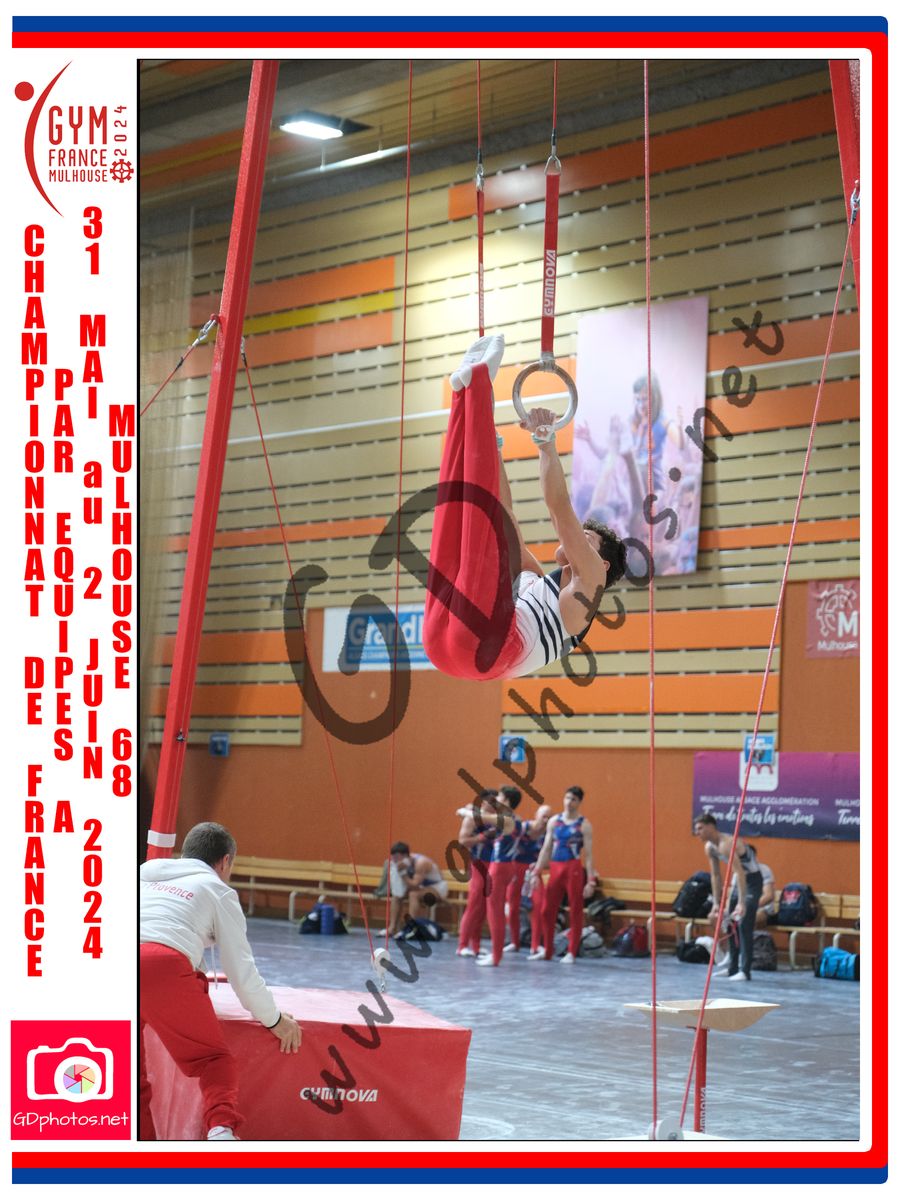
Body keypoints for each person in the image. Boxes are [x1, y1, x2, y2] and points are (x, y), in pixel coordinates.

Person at [423, 334, 627, 681]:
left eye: (587, 538)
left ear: (603, 564)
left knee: (469, 542)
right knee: (461, 513)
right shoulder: (533, 580)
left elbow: (559, 508)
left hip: (483, 649)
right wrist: (491, 449)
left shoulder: (589, 586)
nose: (577, 537)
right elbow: (504, 515)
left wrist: (546, 443)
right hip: (443, 646)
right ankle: (464, 395)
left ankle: (479, 387)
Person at [140, 822, 301, 1141]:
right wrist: (273, 1019)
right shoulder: (217, 890)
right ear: (225, 861)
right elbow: (241, 970)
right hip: (160, 965)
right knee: (213, 1059)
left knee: (127, 1075)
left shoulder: (143, 874)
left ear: (184, 855)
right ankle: (221, 1131)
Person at [479, 788, 553, 967]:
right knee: (502, 909)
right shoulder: (517, 821)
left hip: (501, 867)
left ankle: (496, 956)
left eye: (499, 797)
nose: (496, 799)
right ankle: (503, 949)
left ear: (507, 801)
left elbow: (480, 816)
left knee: (495, 912)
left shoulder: (508, 819)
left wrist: (464, 811)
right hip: (511, 867)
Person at [527, 787, 597, 964]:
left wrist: (591, 881)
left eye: (573, 799)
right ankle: (548, 950)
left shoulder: (584, 825)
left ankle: (571, 952)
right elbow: (546, 848)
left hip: (573, 868)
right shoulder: (554, 822)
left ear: (579, 802)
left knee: (575, 910)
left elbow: (589, 856)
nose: (568, 802)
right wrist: (536, 872)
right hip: (556, 868)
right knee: (546, 910)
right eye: (567, 798)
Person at [693, 812, 764, 981]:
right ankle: (732, 968)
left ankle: (745, 971)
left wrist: (742, 902)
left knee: (744, 923)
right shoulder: (710, 847)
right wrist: (716, 903)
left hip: (752, 881)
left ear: (711, 827)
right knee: (731, 923)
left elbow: (740, 872)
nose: (697, 833)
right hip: (738, 881)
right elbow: (715, 875)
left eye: (700, 828)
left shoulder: (726, 844)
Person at [455, 789, 510, 957]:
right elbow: (462, 841)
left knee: (484, 909)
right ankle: (462, 945)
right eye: (491, 801)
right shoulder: (472, 817)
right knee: (474, 905)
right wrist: (483, 836)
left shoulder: (496, 818)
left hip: (493, 865)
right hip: (479, 864)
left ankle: (476, 946)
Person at [383, 841, 450, 936]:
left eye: (397, 858)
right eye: (394, 858)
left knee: (413, 894)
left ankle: (411, 928)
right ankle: (392, 928)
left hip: (437, 888)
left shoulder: (421, 863)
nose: (396, 861)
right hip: (422, 887)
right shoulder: (403, 862)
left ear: (405, 856)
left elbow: (414, 885)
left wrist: (403, 874)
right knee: (397, 896)